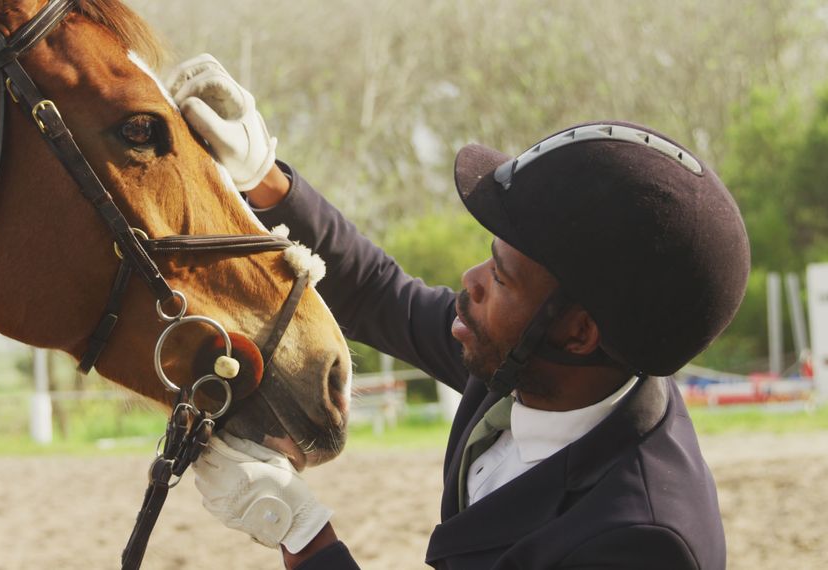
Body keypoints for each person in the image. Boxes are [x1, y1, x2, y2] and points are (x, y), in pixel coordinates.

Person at [168, 54, 750, 569]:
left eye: (501, 276)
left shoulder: (638, 544)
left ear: (577, 331)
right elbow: (377, 291)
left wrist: (302, 535)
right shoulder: (534, 368)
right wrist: (262, 178)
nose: (471, 281)